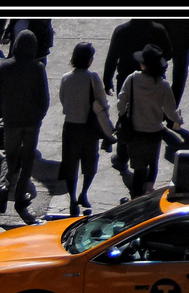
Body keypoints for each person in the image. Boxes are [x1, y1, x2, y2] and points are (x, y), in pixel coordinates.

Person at [0, 29, 50, 215]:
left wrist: (6, 110)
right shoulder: (38, 68)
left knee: (10, 156)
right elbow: (44, 99)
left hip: (11, 121)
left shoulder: (4, 67)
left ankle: (3, 185)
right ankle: (19, 197)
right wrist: (38, 118)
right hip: (31, 122)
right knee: (27, 160)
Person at [116, 45, 182, 198]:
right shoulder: (163, 85)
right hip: (154, 132)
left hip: (135, 131)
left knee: (139, 167)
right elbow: (170, 111)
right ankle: (148, 191)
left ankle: (136, 196)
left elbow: (121, 101)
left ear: (143, 64)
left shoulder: (132, 79)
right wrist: (178, 120)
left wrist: (123, 114)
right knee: (152, 163)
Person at [58, 42, 114, 216]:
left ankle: (73, 199)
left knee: (70, 164)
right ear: (89, 60)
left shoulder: (66, 77)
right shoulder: (93, 78)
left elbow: (63, 99)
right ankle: (84, 193)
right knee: (89, 163)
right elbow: (102, 103)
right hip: (89, 128)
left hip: (70, 127)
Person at [105, 18, 174, 100]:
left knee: (127, 109)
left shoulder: (121, 31)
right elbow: (168, 54)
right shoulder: (159, 30)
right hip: (154, 79)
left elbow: (112, 58)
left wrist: (107, 82)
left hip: (126, 79)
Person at [163, 19, 189, 107]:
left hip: (166, 34)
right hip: (184, 38)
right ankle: (172, 107)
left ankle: (159, 105)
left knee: (157, 69)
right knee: (180, 74)